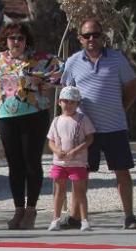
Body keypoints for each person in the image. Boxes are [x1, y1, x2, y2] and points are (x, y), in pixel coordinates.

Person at [0, 22, 62, 230]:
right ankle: (18, 209)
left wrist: (47, 84)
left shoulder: (40, 58)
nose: (16, 42)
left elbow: (62, 71)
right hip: (7, 116)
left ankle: (31, 209)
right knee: (15, 165)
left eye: (20, 38)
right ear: (5, 40)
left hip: (34, 115)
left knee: (31, 162)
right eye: (12, 38)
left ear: (26, 41)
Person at [61, 18, 136, 230]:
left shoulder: (117, 59)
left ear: (103, 37)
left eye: (96, 34)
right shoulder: (72, 62)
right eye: (87, 35)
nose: (92, 39)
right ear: (80, 39)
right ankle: (75, 216)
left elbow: (132, 88)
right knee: (81, 174)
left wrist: (119, 108)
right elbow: (66, 94)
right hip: (85, 131)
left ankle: (130, 216)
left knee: (122, 172)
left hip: (115, 127)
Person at [46, 86, 95, 232]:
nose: (68, 105)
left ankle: (84, 219)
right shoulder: (56, 120)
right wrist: (56, 151)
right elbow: (51, 141)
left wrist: (76, 150)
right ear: (59, 102)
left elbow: (89, 138)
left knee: (79, 191)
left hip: (78, 163)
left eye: (72, 102)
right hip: (59, 163)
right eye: (65, 101)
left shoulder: (82, 119)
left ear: (77, 104)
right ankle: (55, 219)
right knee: (59, 191)